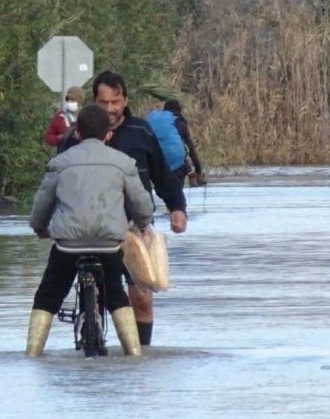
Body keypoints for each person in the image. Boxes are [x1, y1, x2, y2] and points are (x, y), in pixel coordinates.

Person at [60, 70, 187, 347]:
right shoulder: (75, 137)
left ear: (125, 101)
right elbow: (56, 179)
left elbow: (162, 175)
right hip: (90, 226)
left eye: (115, 102)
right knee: (98, 293)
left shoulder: (141, 132)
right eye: (104, 103)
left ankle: (140, 356)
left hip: (133, 227)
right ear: (94, 102)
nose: (110, 110)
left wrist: (177, 207)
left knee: (141, 298)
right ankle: (91, 325)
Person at [27, 105, 154, 357]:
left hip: (68, 245)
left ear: (76, 133)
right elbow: (142, 205)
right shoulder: (124, 163)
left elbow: (42, 205)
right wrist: (142, 224)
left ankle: (32, 352)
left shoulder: (59, 163)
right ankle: (135, 354)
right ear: (108, 134)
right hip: (109, 245)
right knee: (116, 294)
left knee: (47, 296)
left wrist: (39, 227)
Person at [164, 98, 206, 187]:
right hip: (178, 165)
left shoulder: (160, 124)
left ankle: (190, 172)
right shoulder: (181, 124)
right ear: (179, 109)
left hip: (159, 162)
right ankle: (191, 173)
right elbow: (190, 148)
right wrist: (198, 169)